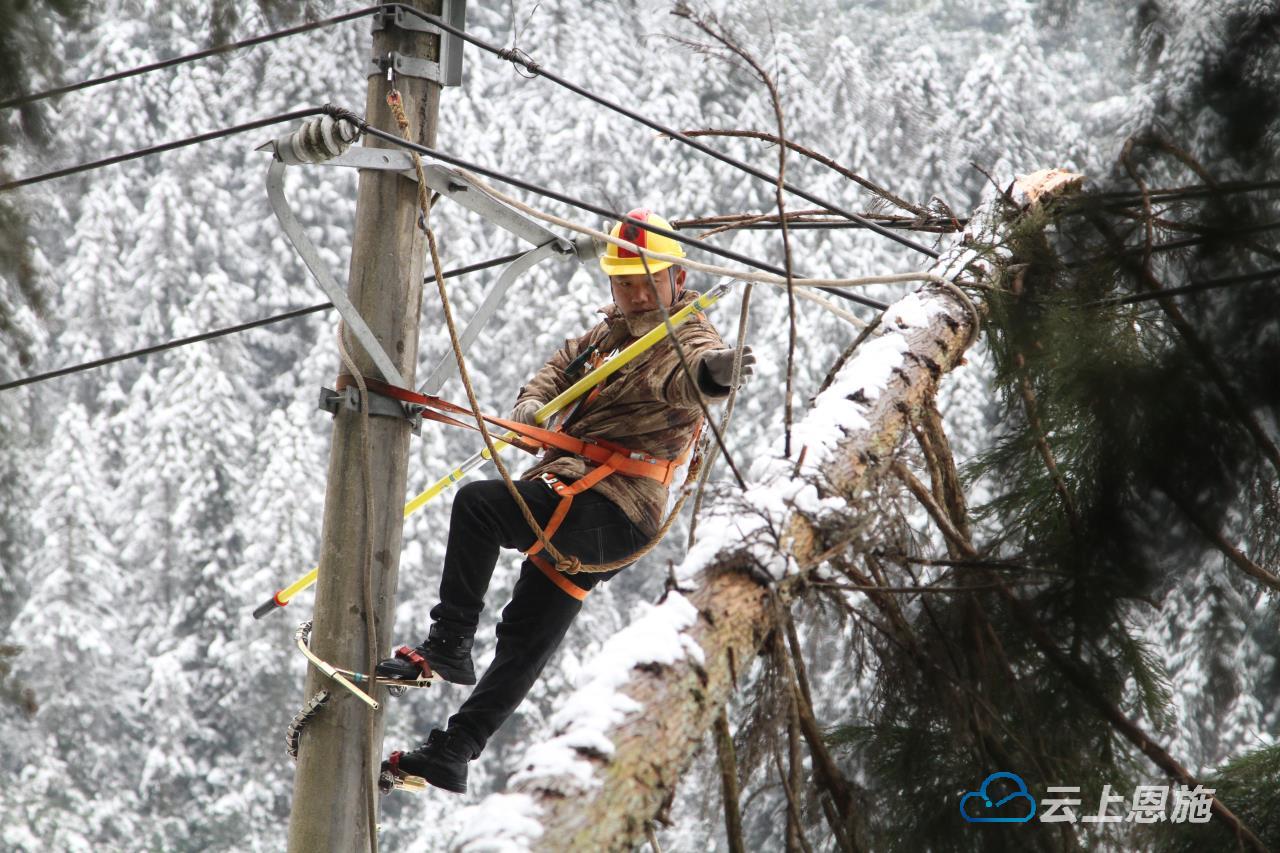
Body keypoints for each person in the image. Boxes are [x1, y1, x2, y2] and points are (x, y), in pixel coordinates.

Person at [378, 209, 755, 794]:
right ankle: (455, 751)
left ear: (677, 280)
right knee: (528, 634)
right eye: (621, 282)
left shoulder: (685, 337)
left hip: (613, 505)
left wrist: (717, 376)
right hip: (589, 503)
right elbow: (556, 370)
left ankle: (449, 641)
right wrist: (533, 406)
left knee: (479, 506)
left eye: (644, 281)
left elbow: (690, 377)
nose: (631, 294)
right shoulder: (606, 336)